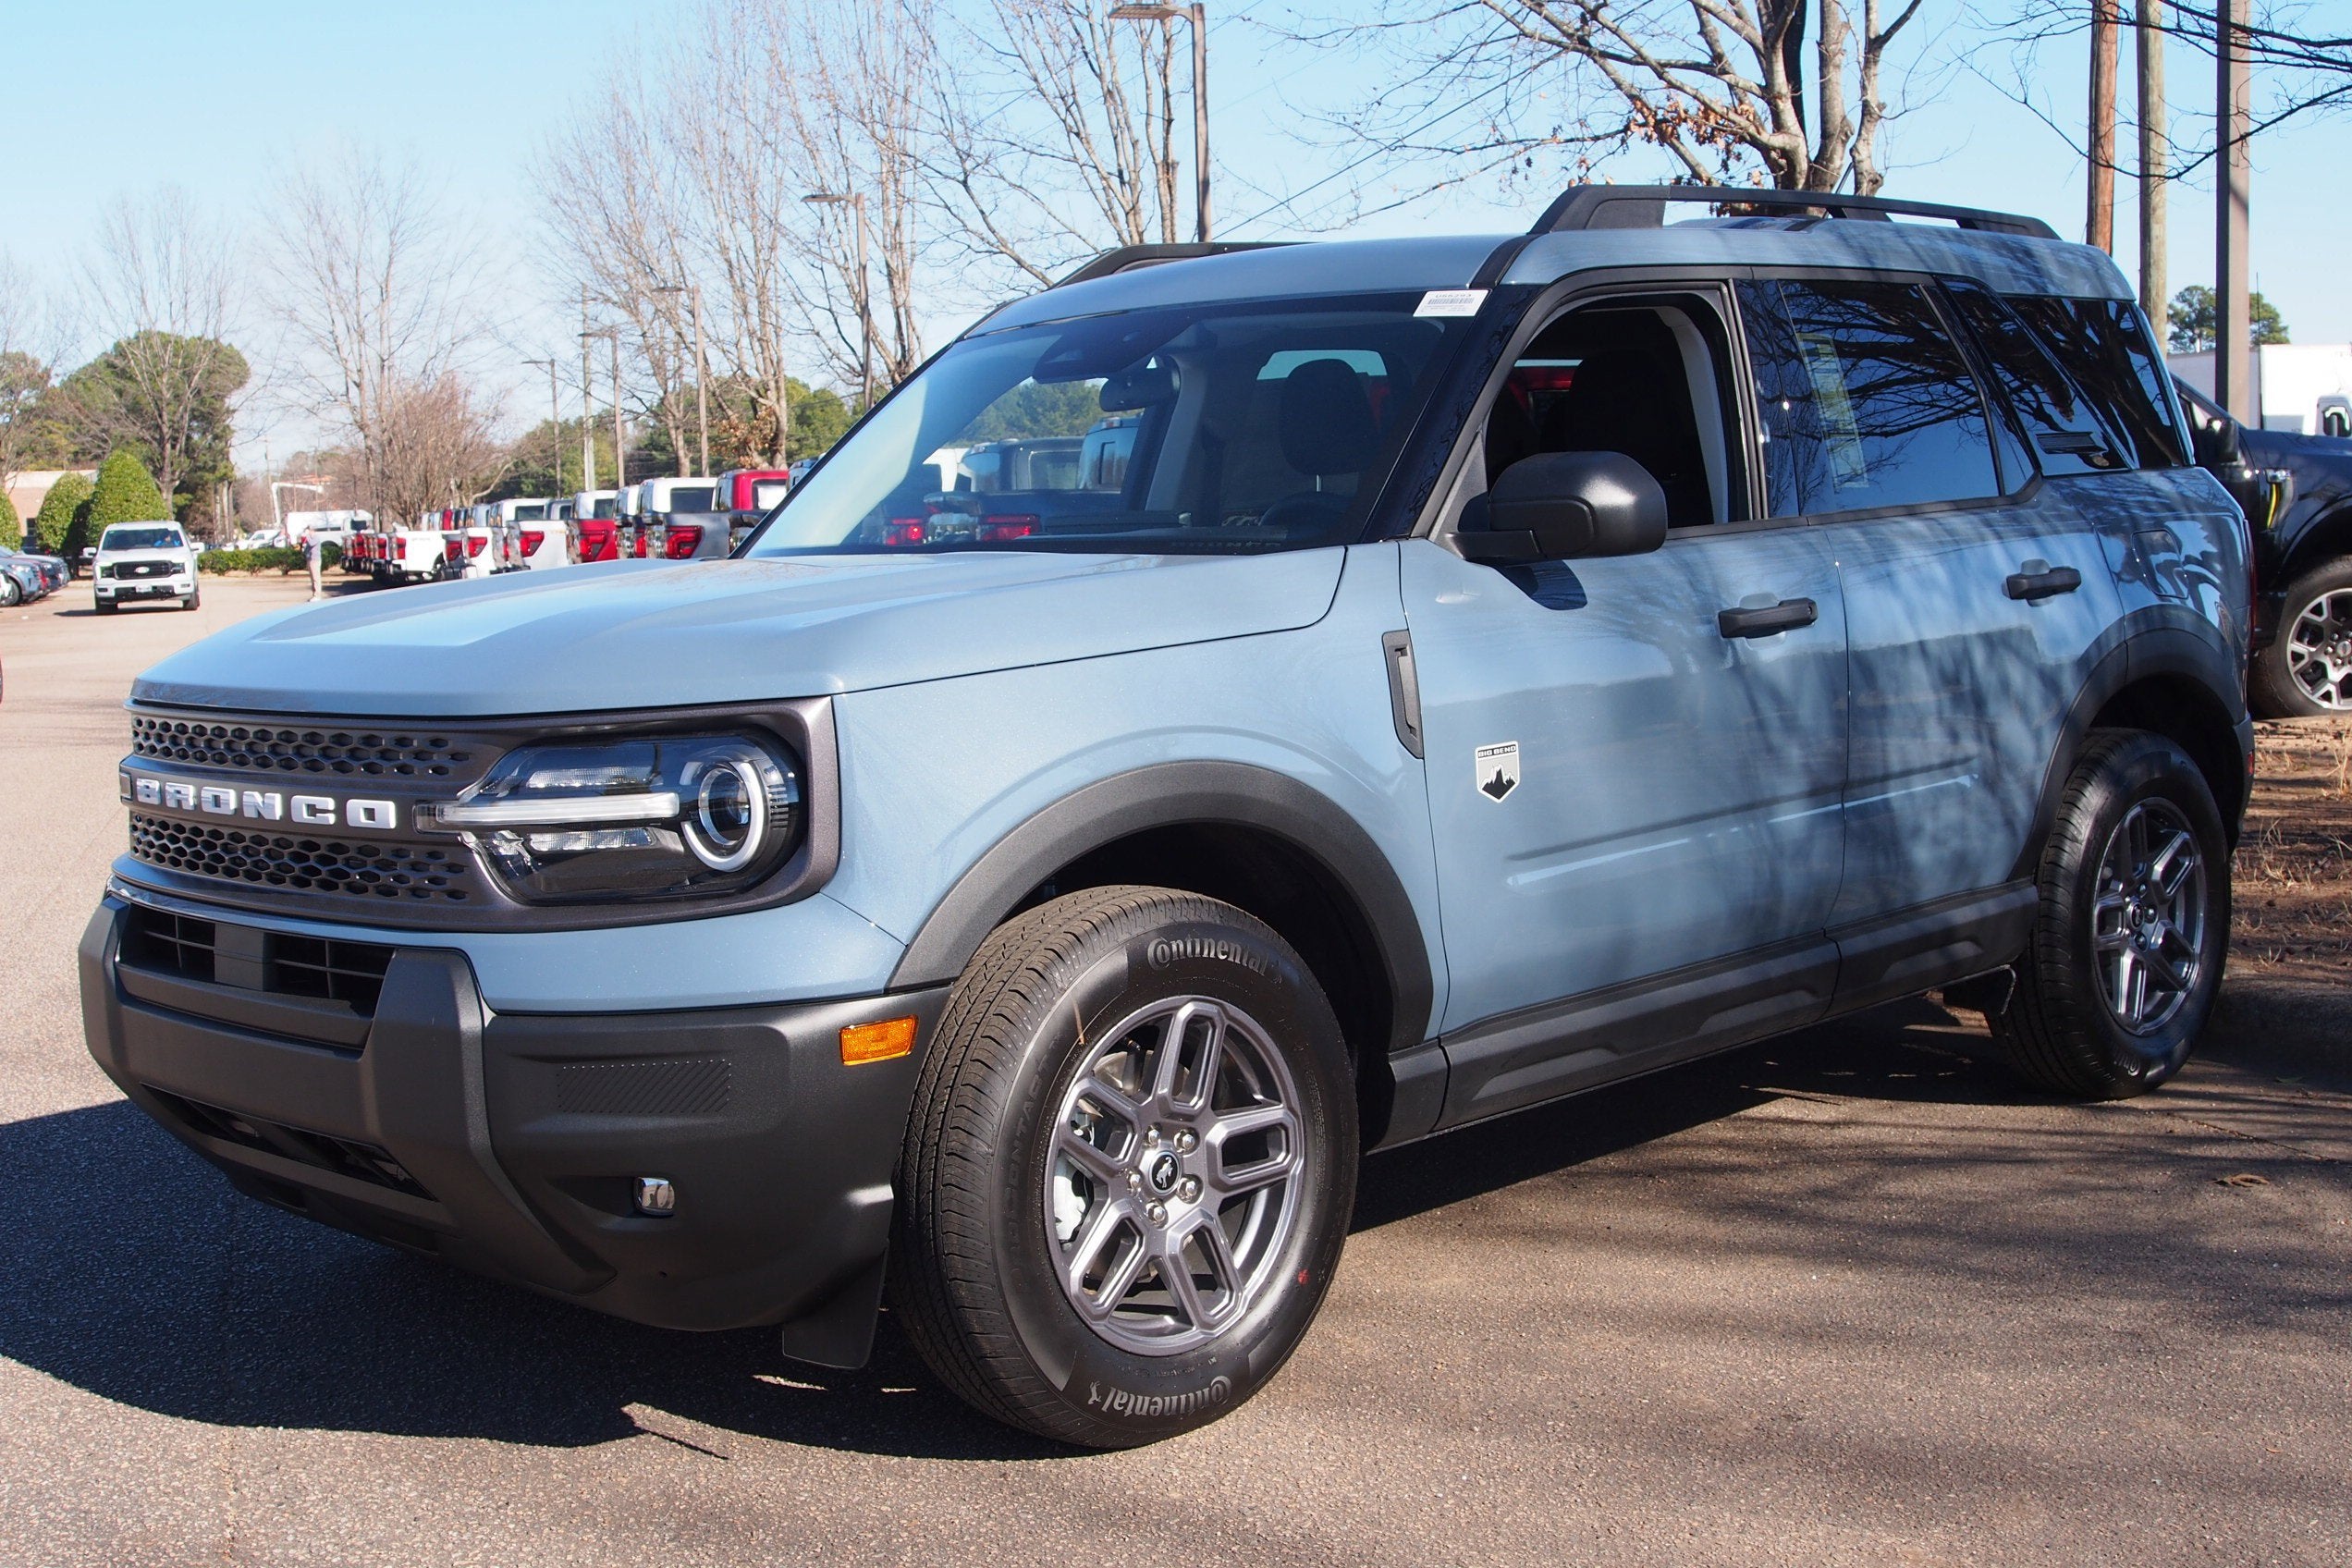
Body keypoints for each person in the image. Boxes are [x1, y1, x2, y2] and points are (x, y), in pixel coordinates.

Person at [303, 527, 324, 601]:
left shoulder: (316, 537)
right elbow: (307, 548)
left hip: (315, 560)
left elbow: (312, 544)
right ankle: (314, 594)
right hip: (310, 559)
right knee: (312, 578)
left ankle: (317, 595)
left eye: (309, 531)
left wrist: (307, 535)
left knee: (316, 578)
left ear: (313, 531)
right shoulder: (310, 539)